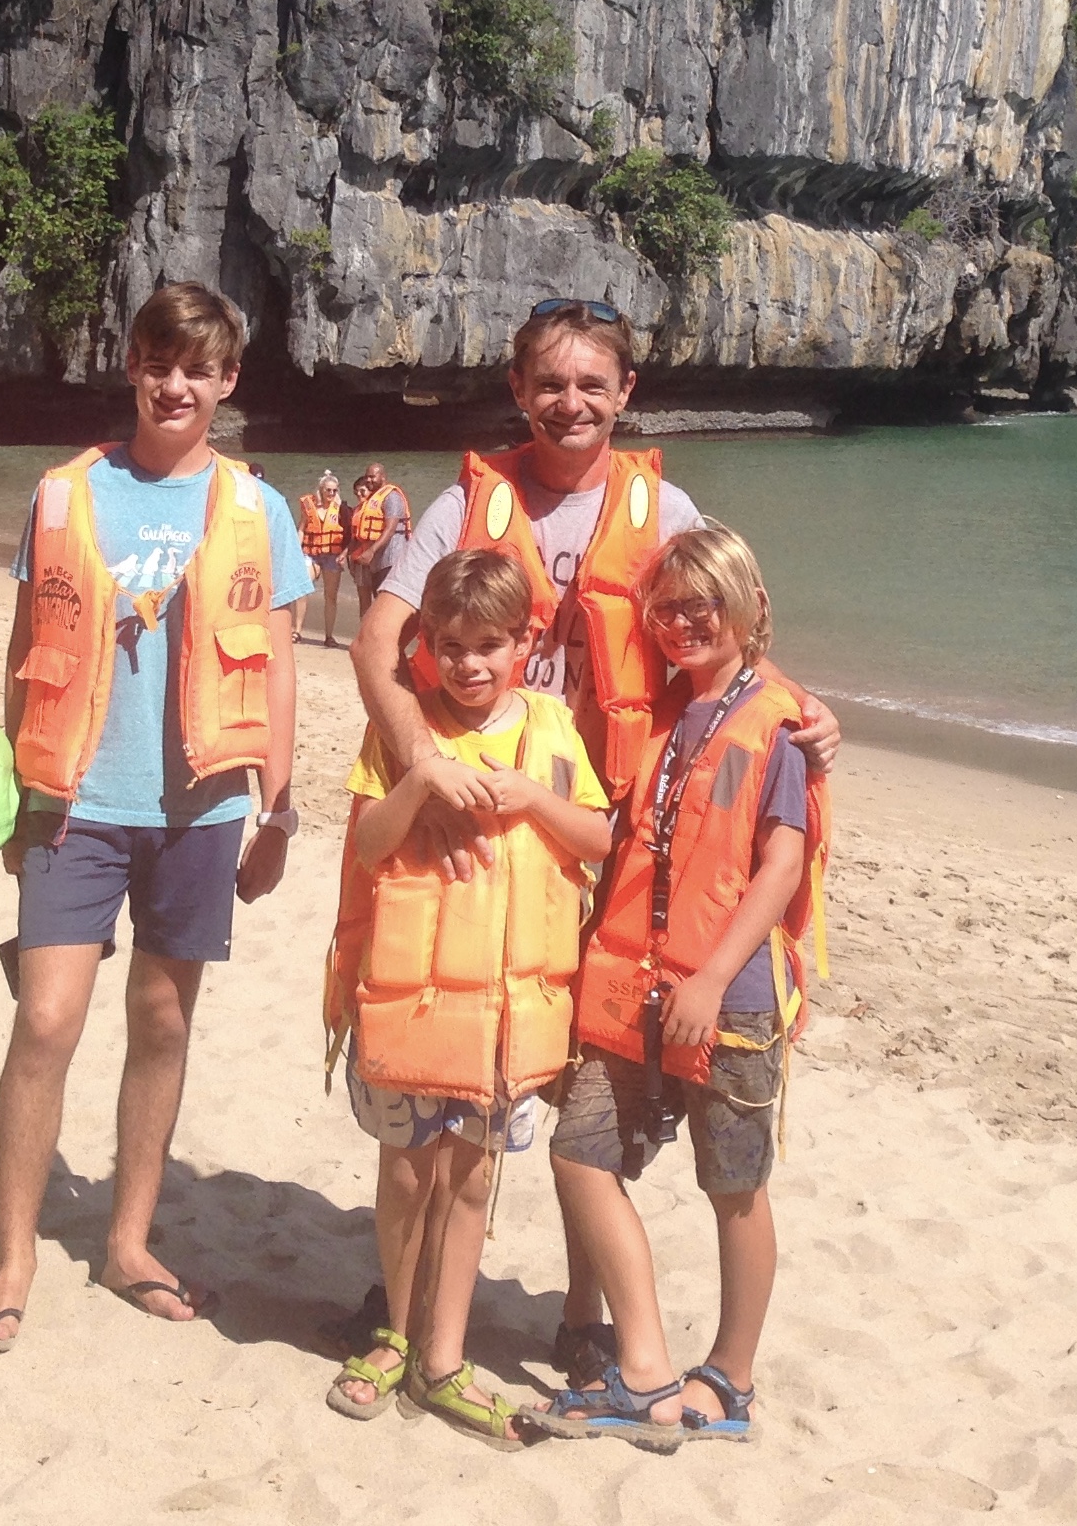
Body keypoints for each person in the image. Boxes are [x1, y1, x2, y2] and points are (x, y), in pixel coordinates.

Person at [350, 297, 841, 1390]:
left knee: (582, 1079)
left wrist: (805, 714)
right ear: (518, 391)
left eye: (590, 384)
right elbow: (377, 640)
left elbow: (723, 629)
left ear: (625, 394)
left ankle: (580, 1315)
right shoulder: (466, 502)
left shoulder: (664, 508)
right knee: (450, 1054)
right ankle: (405, 1291)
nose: (569, 403)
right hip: (477, 813)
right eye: (549, 383)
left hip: (611, 832)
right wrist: (424, 763)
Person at [0, 283, 311, 1352]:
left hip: (201, 805)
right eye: (158, 364)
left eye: (197, 369)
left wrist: (278, 812)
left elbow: (277, 667)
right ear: (133, 369)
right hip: (76, 799)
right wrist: (20, 798)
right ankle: (12, 1260)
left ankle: (128, 1241)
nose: (174, 386)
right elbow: (26, 649)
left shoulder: (258, 509)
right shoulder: (66, 493)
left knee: (161, 1021)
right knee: (46, 1019)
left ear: (227, 381)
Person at [523, 525, 828, 1448]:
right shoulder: (662, 710)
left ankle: (730, 1378)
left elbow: (780, 865)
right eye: (665, 610)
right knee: (580, 1154)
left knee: (732, 1185)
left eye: (703, 606)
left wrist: (711, 976)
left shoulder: (777, 723)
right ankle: (648, 1366)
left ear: (747, 606)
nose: (681, 623)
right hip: (634, 985)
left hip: (726, 994)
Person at [322, 550, 610, 1447]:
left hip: (505, 1020)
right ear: (426, 646)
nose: (469, 664)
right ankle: (394, 1334)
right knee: (407, 1175)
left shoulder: (553, 730)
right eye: (449, 646)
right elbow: (367, 845)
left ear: (526, 642)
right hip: (412, 1011)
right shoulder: (402, 731)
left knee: (473, 1179)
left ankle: (442, 1356)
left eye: (489, 645)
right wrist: (419, 781)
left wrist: (530, 798)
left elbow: (598, 837)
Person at [347, 461, 410, 617]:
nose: (369, 480)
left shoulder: (392, 497)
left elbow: (390, 529)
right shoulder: (372, 499)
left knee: (387, 604)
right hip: (377, 561)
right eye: (367, 477)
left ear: (383, 476)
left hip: (391, 558)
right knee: (378, 603)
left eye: (372, 476)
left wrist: (371, 551)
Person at [295, 470, 349, 645]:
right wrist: (297, 550)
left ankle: (329, 636)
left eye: (334, 490)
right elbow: (301, 528)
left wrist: (345, 553)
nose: (331, 494)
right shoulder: (309, 506)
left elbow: (348, 534)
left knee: (330, 596)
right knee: (303, 588)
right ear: (321, 490)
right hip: (311, 554)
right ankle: (297, 631)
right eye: (328, 490)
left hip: (332, 555)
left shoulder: (341, 509)